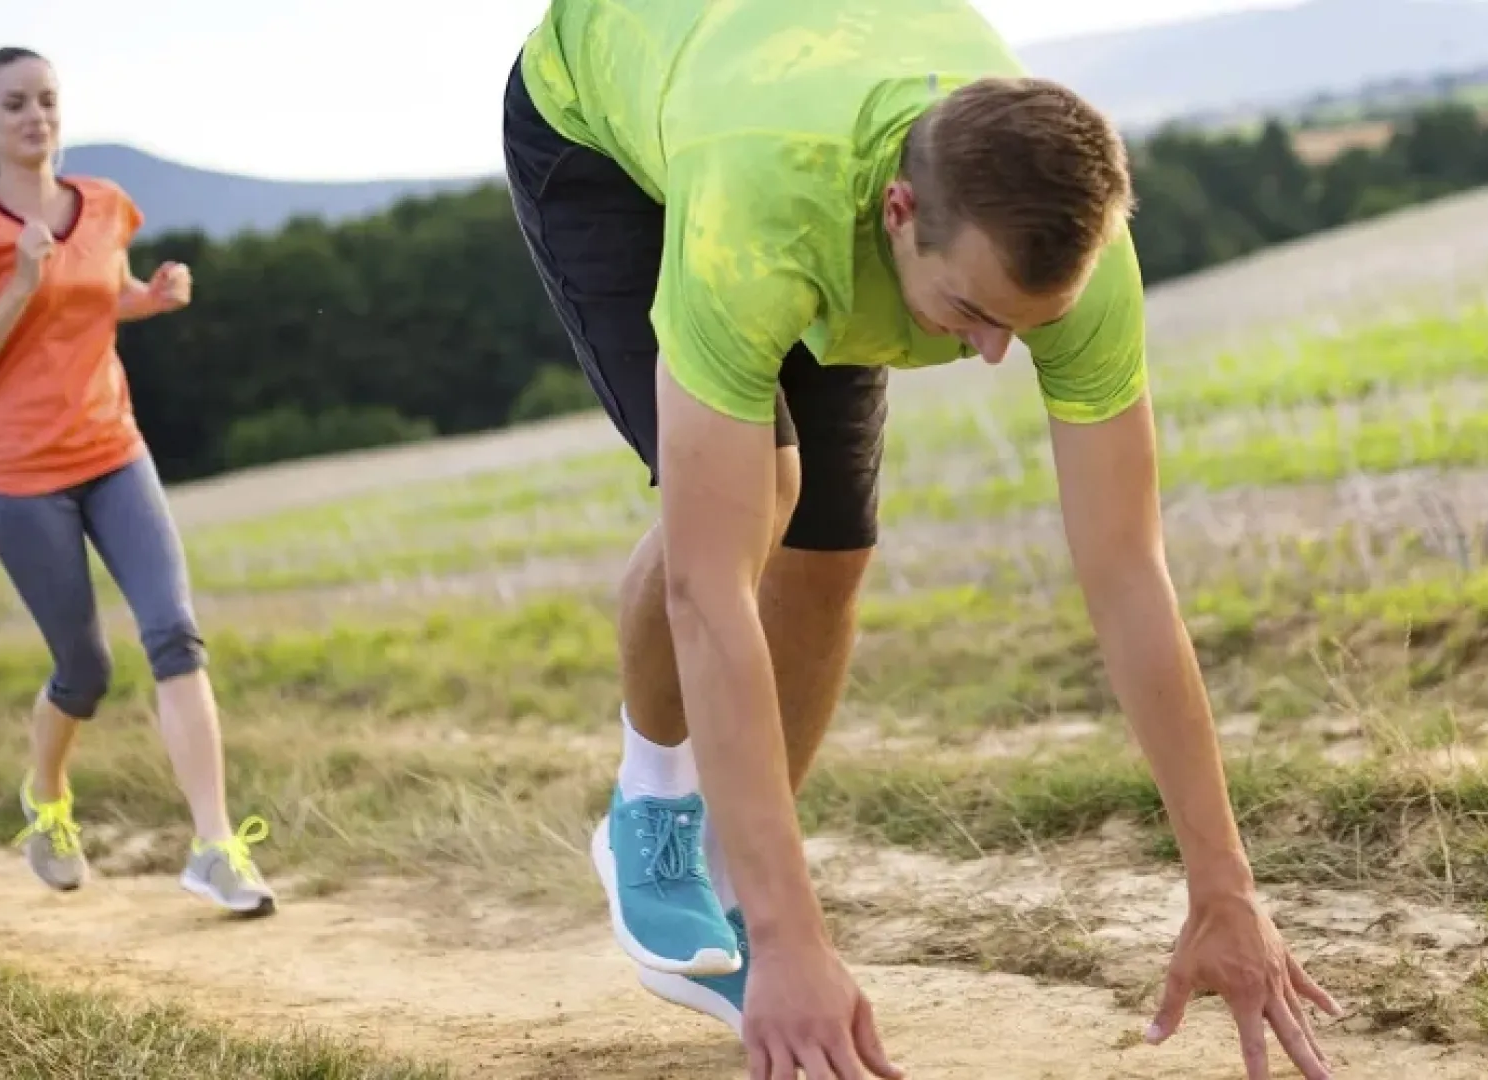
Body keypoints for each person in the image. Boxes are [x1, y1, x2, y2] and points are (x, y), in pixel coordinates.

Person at [501, 1, 1344, 1077]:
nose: (995, 353)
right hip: (610, 125)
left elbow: (1129, 574)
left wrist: (1225, 888)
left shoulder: (1070, 263)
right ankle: (654, 814)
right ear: (898, 211)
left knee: (829, 550)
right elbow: (706, 595)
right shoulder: (761, 207)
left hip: (796, 105)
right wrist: (793, 936)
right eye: (972, 309)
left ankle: (731, 868)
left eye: (1027, 324)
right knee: (758, 493)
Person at [0, 46, 276, 918]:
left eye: (46, 100)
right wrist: (21, 283)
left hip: (115, 452)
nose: (35, 117)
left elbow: (97, 295)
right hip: (19, 478)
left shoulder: (108, 206)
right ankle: (46, 801)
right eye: (14, 105)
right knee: (83, 669)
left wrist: (148, 297)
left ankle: (216, 847)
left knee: (175, 635)